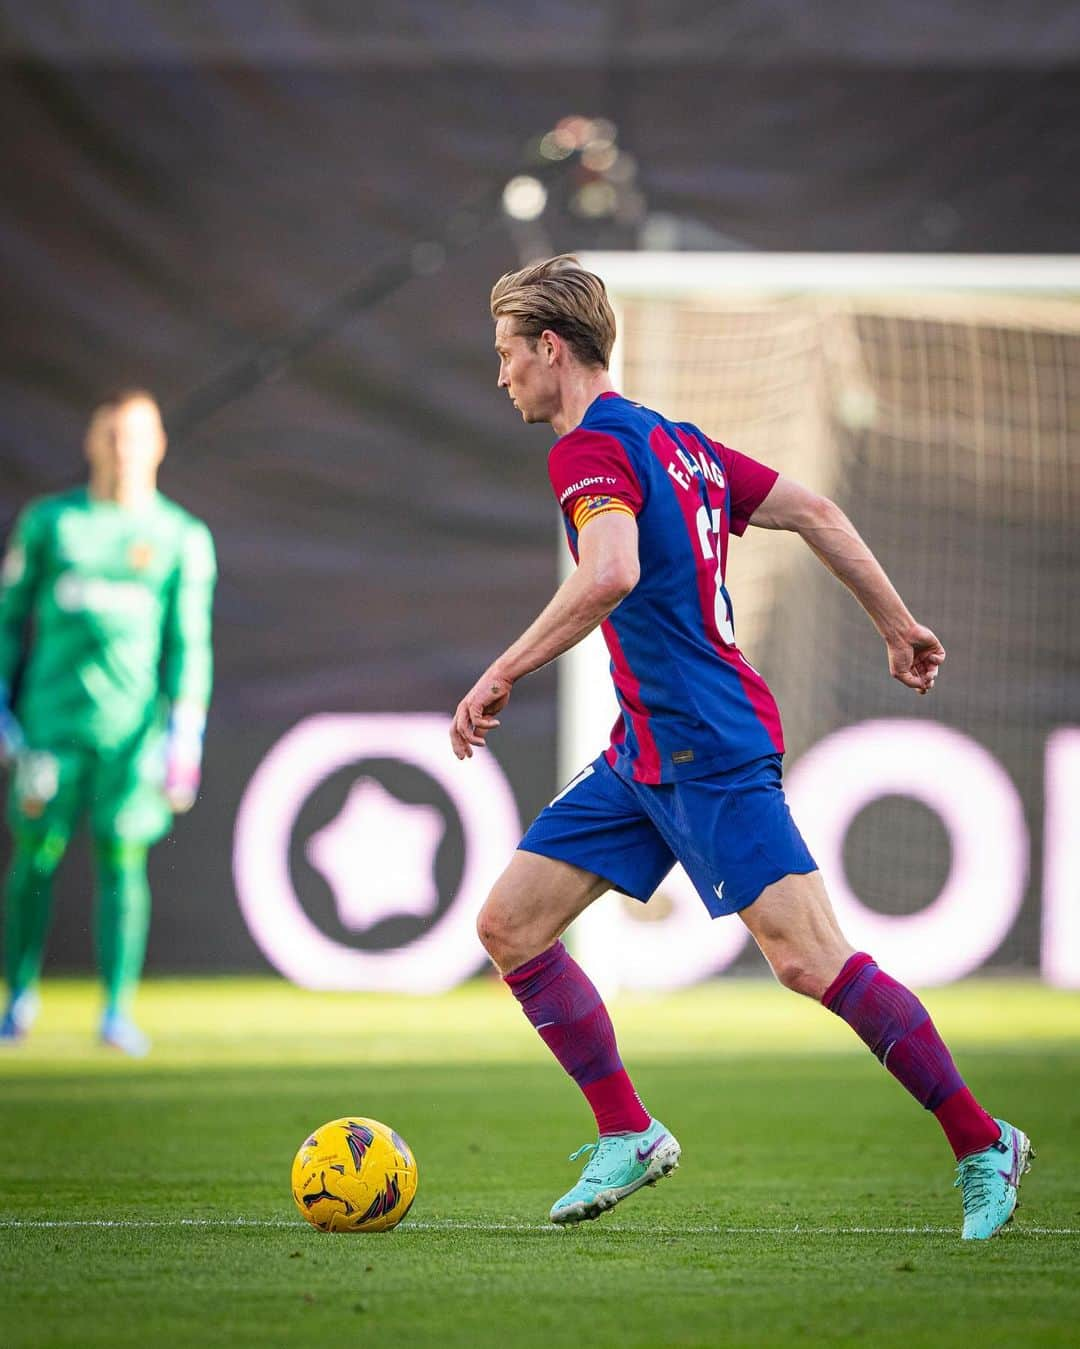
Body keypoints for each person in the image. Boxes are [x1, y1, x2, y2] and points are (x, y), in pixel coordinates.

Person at [450, 254, 1032, 1240]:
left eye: (507, 354)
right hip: (646, 751)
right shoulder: (677, 443)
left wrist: (503, 669)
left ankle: (984, 1141)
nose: (501, 374)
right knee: (510, 923)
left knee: (810, 959)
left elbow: (611, 571)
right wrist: (896, 622)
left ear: (551, 348)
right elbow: (815, 510)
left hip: (710, 748)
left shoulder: (588, 449)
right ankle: (627, 1129)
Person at [0, 389, 215, 1056]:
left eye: (136, 436)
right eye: (112, 436)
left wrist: (185, 734)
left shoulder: (179, 535)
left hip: (130, 736)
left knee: (123, 861)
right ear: (94, 443)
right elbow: (8, 623)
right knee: (35, 854)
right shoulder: (52, 524)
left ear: (158, 445)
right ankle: (17, 998)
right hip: (49, 730)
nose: (124, 449)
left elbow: (189, 644)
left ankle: (117, 1009)